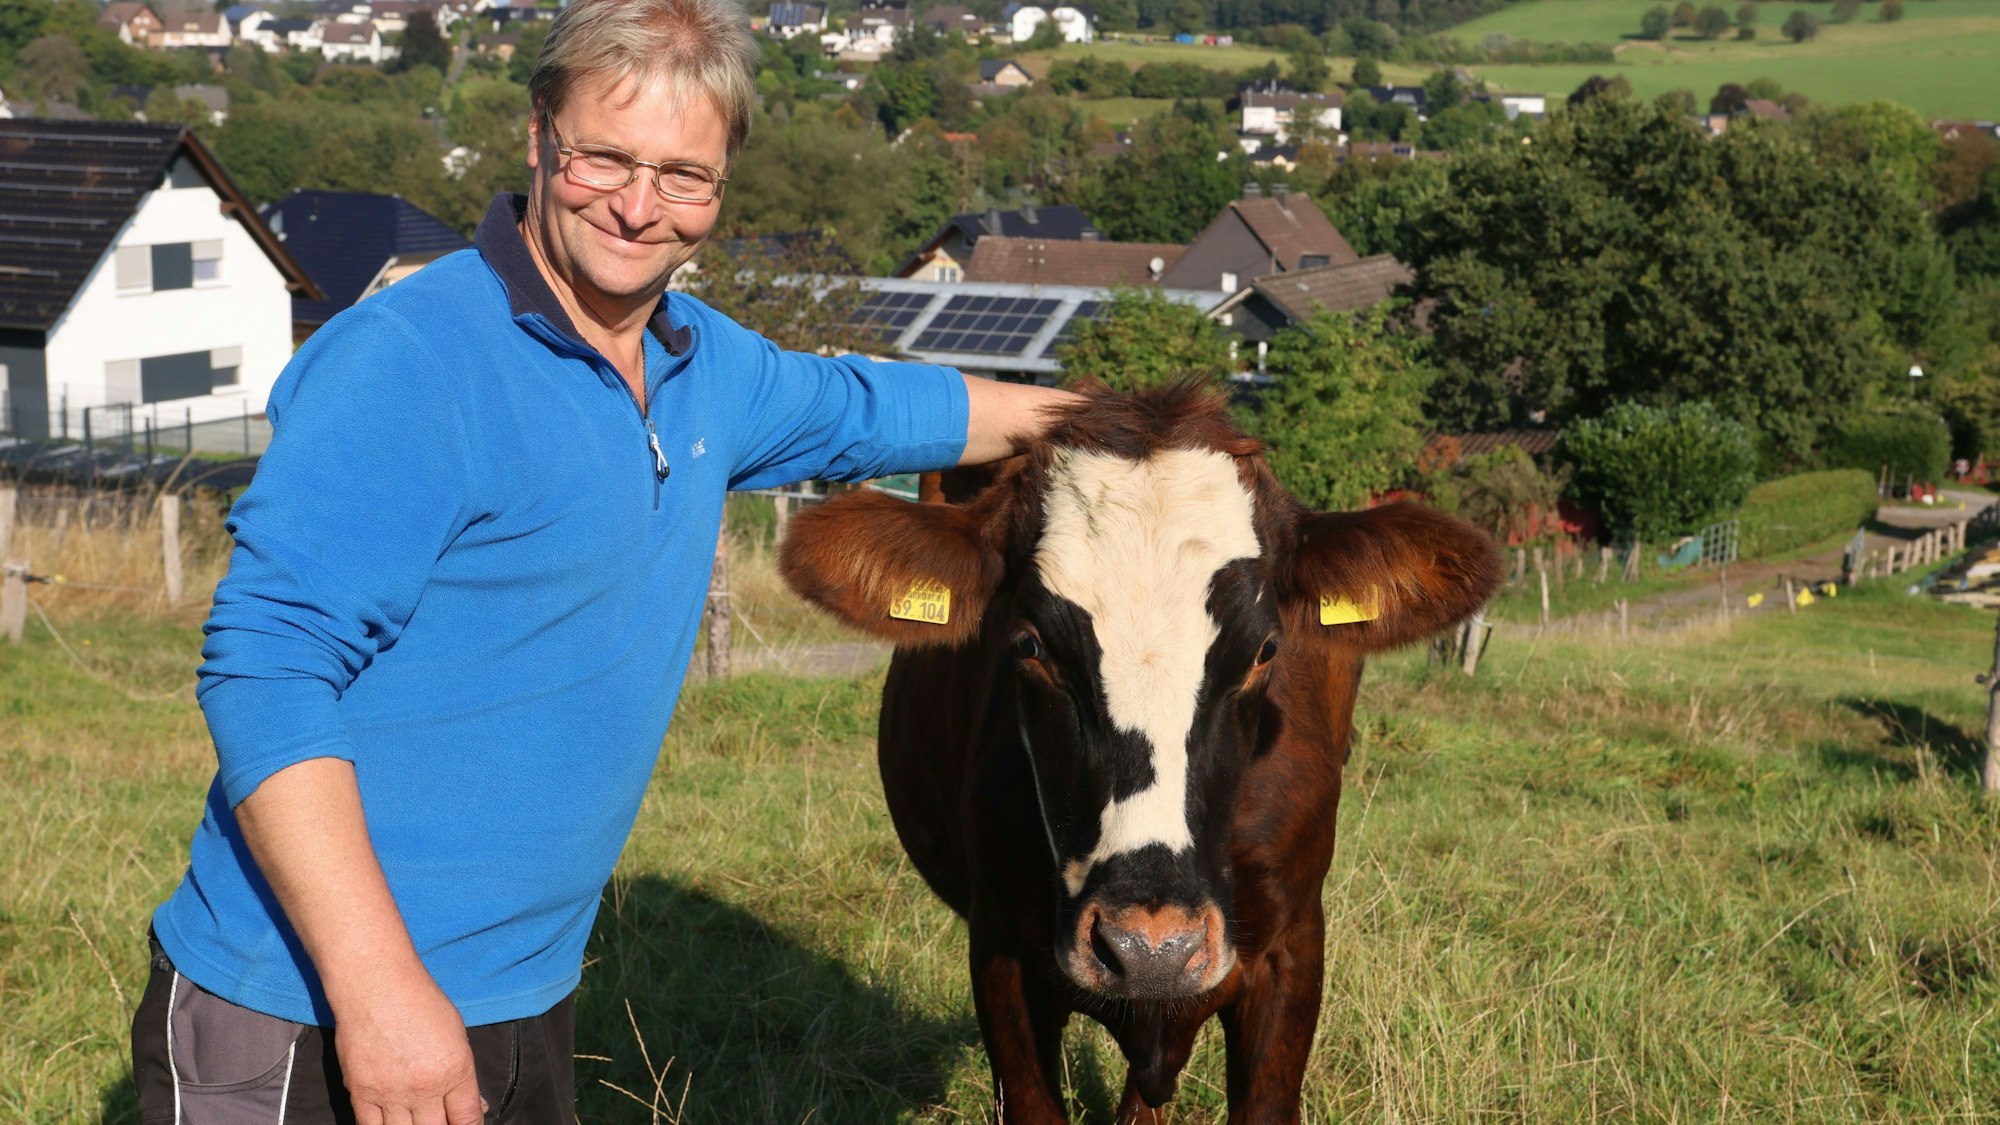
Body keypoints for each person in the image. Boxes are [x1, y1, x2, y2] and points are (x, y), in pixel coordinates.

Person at [130, 0, 1073, 1118]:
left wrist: (1117, 424)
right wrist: (378, 992)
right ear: (537, 138)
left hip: (518, 994)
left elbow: (874, 404)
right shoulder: (409, 364)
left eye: (684, 175)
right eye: (603, 158)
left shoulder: (700, 363)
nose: (637, 208)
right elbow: (267, 673)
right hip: (305, 1008)